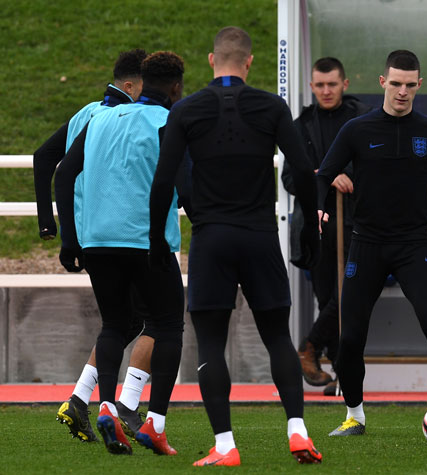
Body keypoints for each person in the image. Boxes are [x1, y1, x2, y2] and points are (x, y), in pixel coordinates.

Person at [148, 26, 322, 466]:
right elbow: (303, 170)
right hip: (259, 234)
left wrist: (156, 243)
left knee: (210, 342)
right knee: (278, 337)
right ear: (248, 62)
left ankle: (225, 445)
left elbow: (164, 180)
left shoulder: (186, 109)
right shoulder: (271, 106)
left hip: (211, 237)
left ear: (212, 60)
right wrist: (311, 228)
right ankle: (298, 431)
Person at [318, 50, 427, 437]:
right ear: (382, 82)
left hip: (414, 243)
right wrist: (321, 205)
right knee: (350, 335)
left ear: (420, 85)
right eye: (396, 83)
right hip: (366, 243)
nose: (402, 91)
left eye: (410, 84)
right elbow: (324, 173)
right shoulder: (357, 130)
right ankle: (354, 416)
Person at [55, 51, 187, 456]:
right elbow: (180, 183)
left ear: (139, 82)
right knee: (168, 326)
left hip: (97, 241)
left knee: (114, 325)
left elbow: (62, 172)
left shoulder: (100, 118)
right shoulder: (168, 121)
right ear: (177, 87)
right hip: (147, 243)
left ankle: (107, 406)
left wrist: (69, 239)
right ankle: (155, 423)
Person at [33, 48, 155, 443]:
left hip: (86, 235)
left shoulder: (86, 112)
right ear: (131, 85)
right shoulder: (124, 117)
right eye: (145, 88)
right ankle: (125, 407)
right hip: (119, 232)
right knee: (153, 318)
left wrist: (49, 224)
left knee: (122, 321)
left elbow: (42, 158)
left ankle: (80, 399)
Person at [281, 57, 370, 392]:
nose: (326, 90)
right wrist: (325, 177)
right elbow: (290, 178)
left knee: (350, 293)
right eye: (319, 85)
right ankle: (340, 376)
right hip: (316, 225)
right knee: (327, 297)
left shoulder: (363, 118)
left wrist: (352, 176)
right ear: (312, 86)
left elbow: (377, 165)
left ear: (344, 84)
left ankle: (309, 347)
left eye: (332, 84)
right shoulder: (300, 125)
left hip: (358, 220)